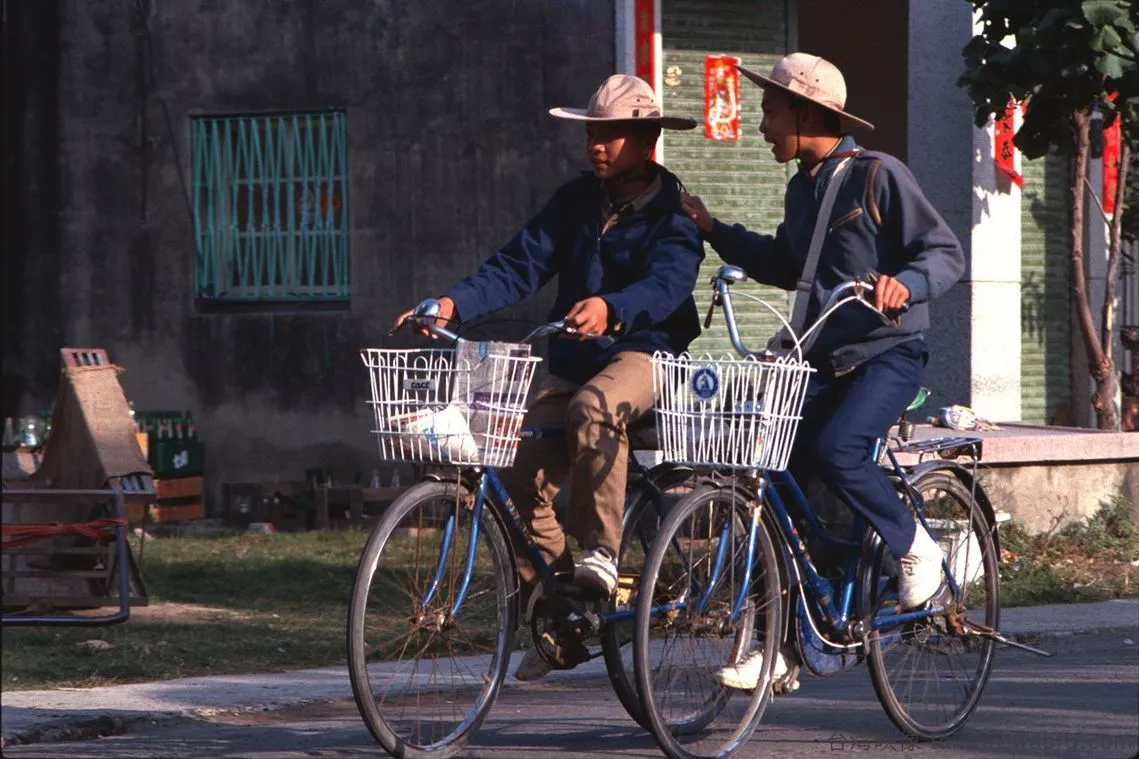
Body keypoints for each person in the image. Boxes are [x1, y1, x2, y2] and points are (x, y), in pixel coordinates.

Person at [392, 74, 704, 681]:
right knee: (506, 461)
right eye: (592, 133)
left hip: (647, 355)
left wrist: (612, 307)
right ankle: (562, 606)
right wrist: (453, 303)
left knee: (594, 408)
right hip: (575, 361)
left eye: (611, 135)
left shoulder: (677, 215)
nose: (596, 145)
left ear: (646, 142)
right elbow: (517, 265)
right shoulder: (575, 201)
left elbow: (666, 286)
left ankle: (601, 553)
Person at [680, 53, 966, 690]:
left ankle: (913, 545)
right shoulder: (802, 188)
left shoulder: (877, 174)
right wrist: (713, 229)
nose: (763, 126)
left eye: (770, 112)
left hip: (887, 355)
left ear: (807, 114)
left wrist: (906, 283)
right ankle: (782, 643)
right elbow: (788, 266)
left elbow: (944, 252)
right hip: (820, 359)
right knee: (776, 476)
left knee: (839, 449)